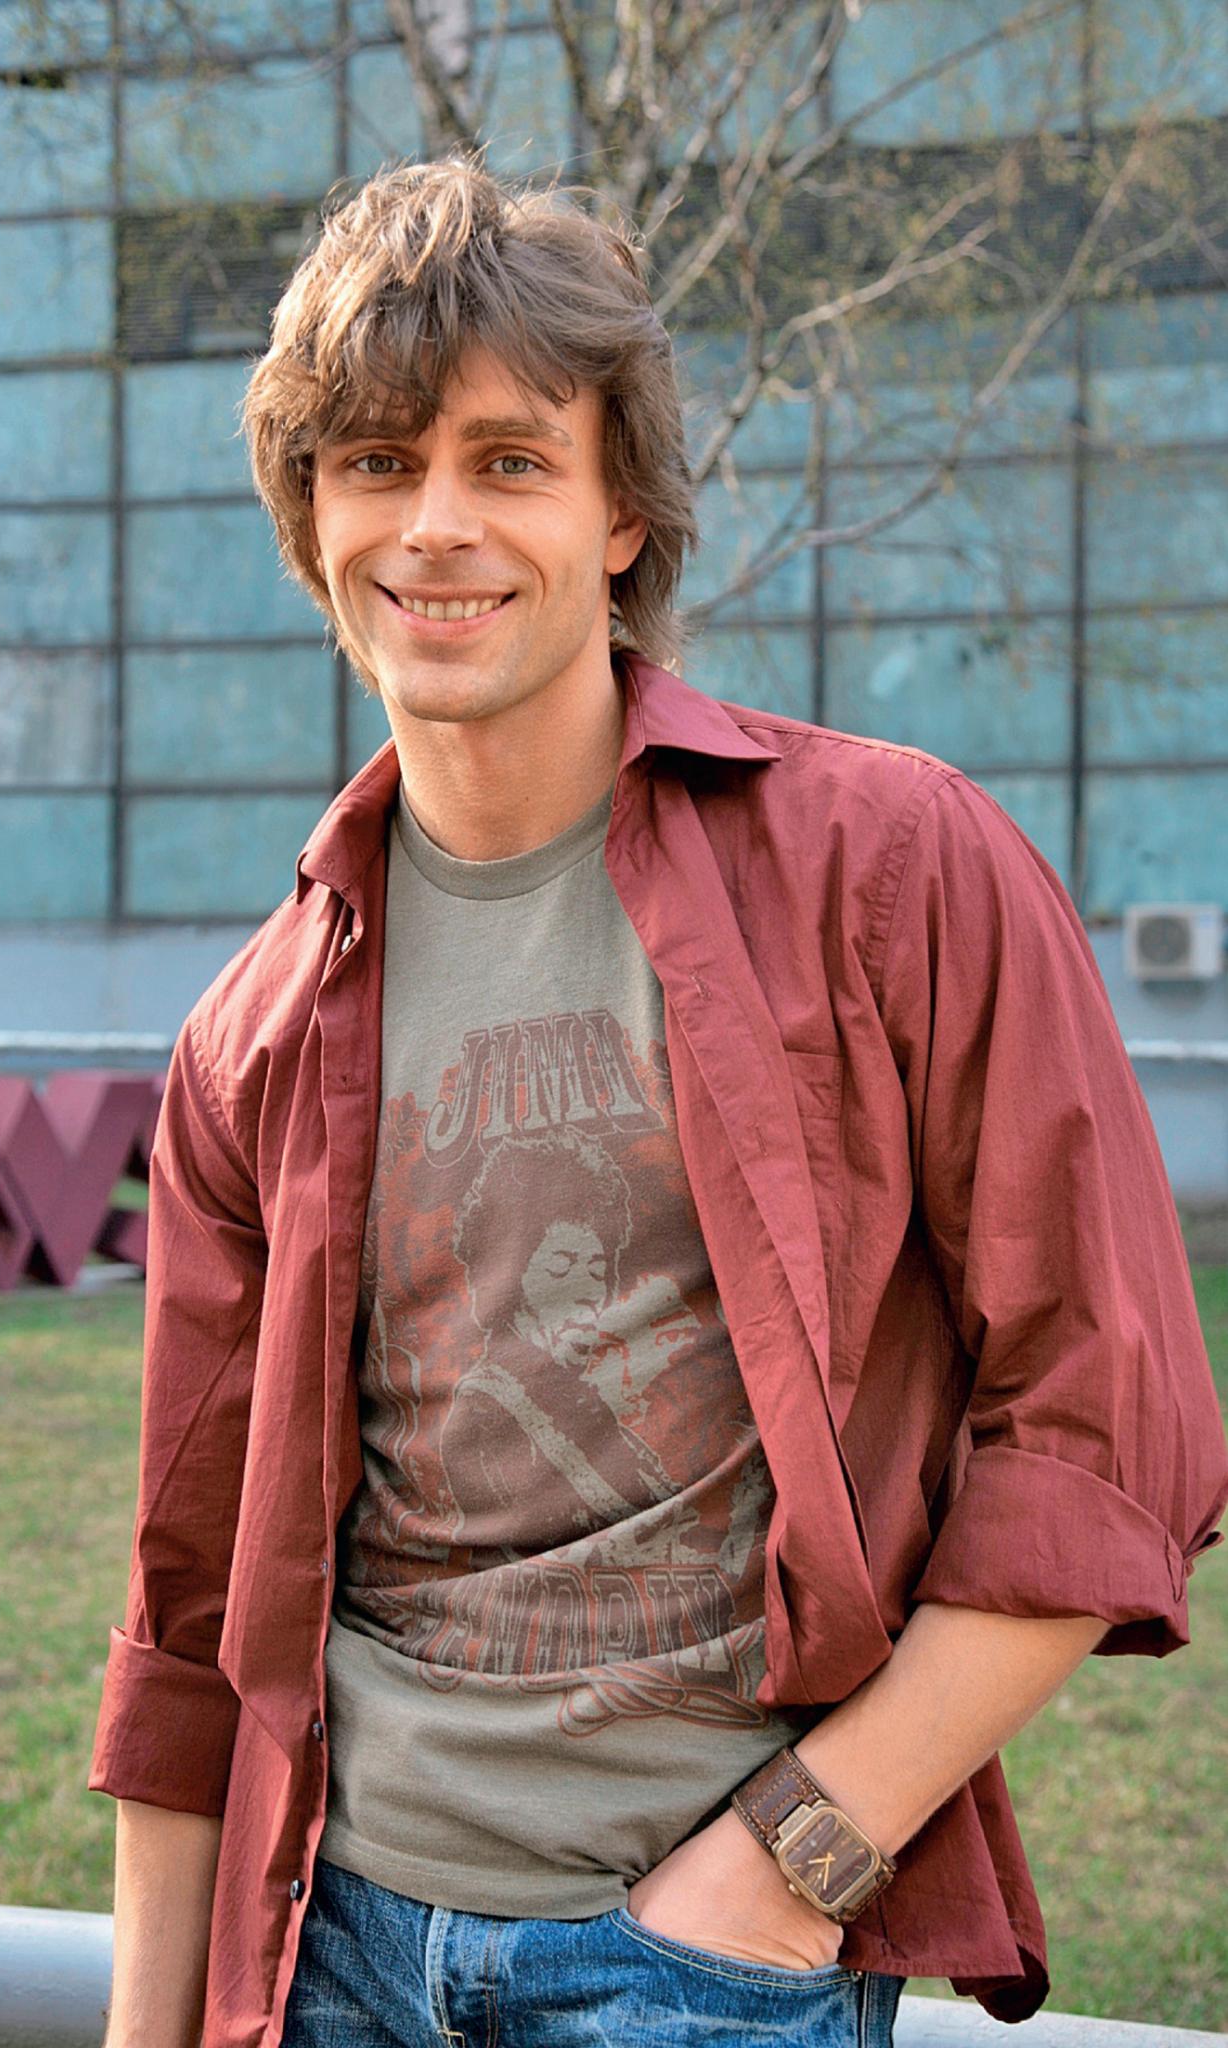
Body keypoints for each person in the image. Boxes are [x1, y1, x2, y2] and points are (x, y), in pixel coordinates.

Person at [89, 157, 1228, 2048]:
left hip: (697, 1960)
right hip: (336, 1946)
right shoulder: (252, 1037)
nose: (435, 524)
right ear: (311, 517)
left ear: (621, 513)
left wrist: (794, 1865)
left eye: (509, 460)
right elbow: (190, 1614)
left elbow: (1110, 1428)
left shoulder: (893, 869)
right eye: (375, 463)